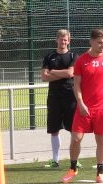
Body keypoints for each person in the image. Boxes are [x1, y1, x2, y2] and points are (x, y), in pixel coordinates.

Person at [61, 28, 103, 184]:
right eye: (99, 42)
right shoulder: (81, 60)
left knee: (101, 141)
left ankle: (100, 174)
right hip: (84, 108)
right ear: (91, 42)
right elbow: (76, 85)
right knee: (76, 138)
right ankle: (73, 169)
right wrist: (81, 103)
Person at [40, 29, 78, 169]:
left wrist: (53, 72)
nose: (63, 42)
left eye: (65, 39)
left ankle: (74, 160)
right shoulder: (49, 56)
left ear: (69, 41)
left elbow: (70, 73)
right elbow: (44, 77)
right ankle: (55, 160)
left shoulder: (73, 56)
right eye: (61, 39)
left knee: (74, 129)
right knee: (54, 129)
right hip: (54, 97)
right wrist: (63, 74)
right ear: (56, 40)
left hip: (70, 97)